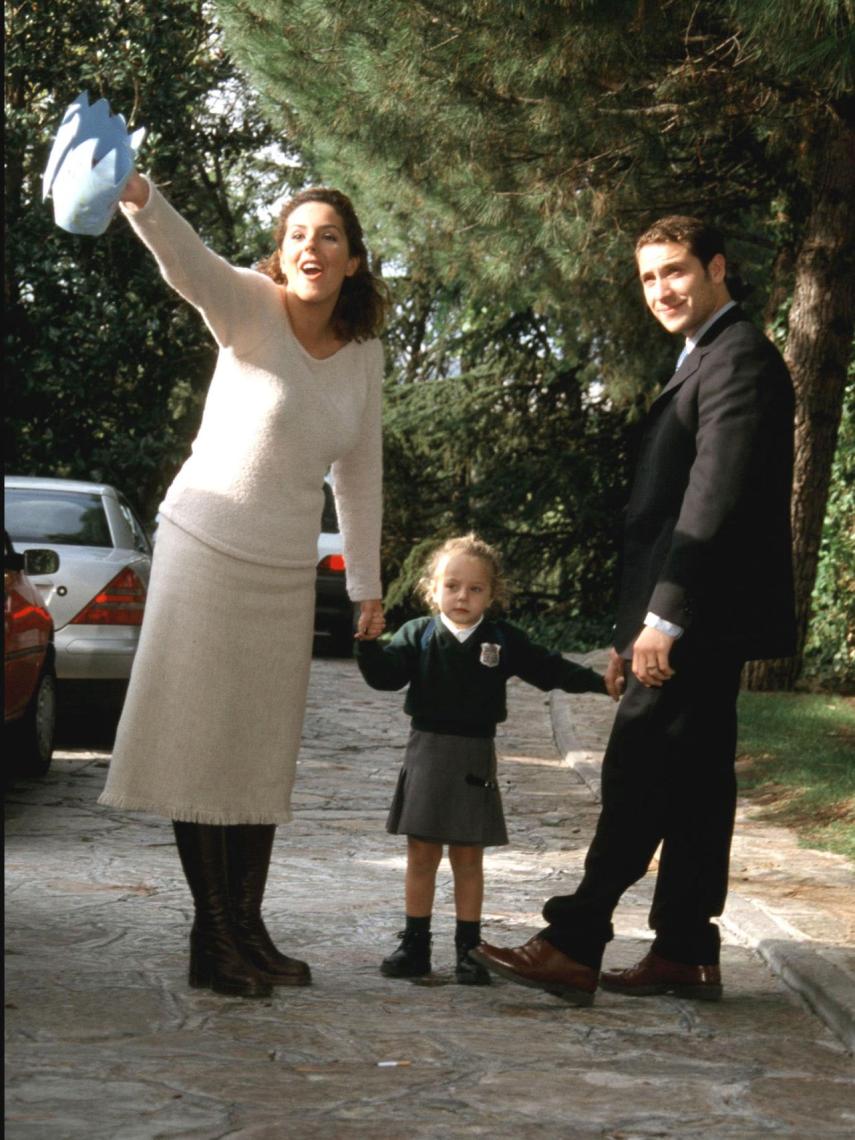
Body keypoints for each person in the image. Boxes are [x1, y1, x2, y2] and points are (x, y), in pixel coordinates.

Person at [472, 216, 796, 1006]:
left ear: (717, 268)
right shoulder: (702, 357)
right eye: (648, 277)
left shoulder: (738, 358)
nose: (661, 289)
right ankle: (684, 952)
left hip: (698, 619)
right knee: (692, 789)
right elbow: (664, 518)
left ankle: (574, 941)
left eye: (676, 270)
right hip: (683, 619)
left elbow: (709, 502)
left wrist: (665, 622)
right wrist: (632, 630)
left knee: (638, 774)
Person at [98, 169, 388, 998]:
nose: (312, 248)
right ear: (280, 252)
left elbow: (359, 474)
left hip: (283, 572)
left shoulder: (362, 356)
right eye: (298, 234)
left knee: (258, 755)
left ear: (354, 261)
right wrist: (139, 193)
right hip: (206, 547)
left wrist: (365, 585)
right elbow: (186, 263)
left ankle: (248, 928)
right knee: (202, 742)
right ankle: (213, 934)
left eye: (329, 236)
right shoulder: (248, 307)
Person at [356, 534, 611, 986]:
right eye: (452, 586)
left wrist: (602, 684)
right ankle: (415, 944)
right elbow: (385, 677)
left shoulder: (501, 640)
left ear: (492, 596)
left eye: (475, 589)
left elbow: (550, 668)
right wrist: (368, 644)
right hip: (428, 751)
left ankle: (468, 949)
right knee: (421, 852)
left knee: (468, 855)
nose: (462, 596)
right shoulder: (418, 634)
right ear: (432, 589)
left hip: (475, 755)